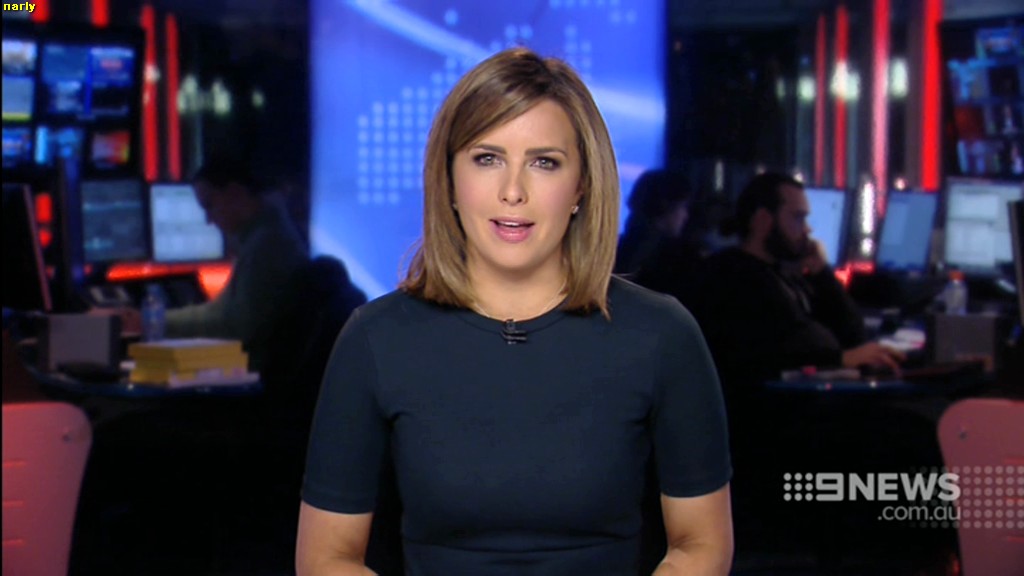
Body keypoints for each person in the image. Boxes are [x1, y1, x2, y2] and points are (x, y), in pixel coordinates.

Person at [297, 47, 733, 576]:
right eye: (487, 158)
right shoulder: (376, 339)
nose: (512, 191)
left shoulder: (661, 334)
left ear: (581, 186)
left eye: (544, 162)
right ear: (449, 180)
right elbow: (325, 557)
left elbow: (701, 544)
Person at [694, 171, 904, 394]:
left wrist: (821, 273)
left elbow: (854, 336)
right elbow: (768, 354)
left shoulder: (786, 276)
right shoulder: (732, 277)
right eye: (798, 218)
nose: (807, 229)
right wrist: (840, 359)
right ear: (763, 220)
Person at [162, 155, 309, 371]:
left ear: (235, 193)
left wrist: (155, 322)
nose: (208, 220)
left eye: (209, 206)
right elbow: (225, 315)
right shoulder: (268, 235)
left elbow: (230, 324)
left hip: (261, 378)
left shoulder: (267, 245)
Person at [614, 168, 704, 308]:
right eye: (683, 206)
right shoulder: (678, 258)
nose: (685, 216)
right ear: (666, 206)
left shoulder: (615, 249)